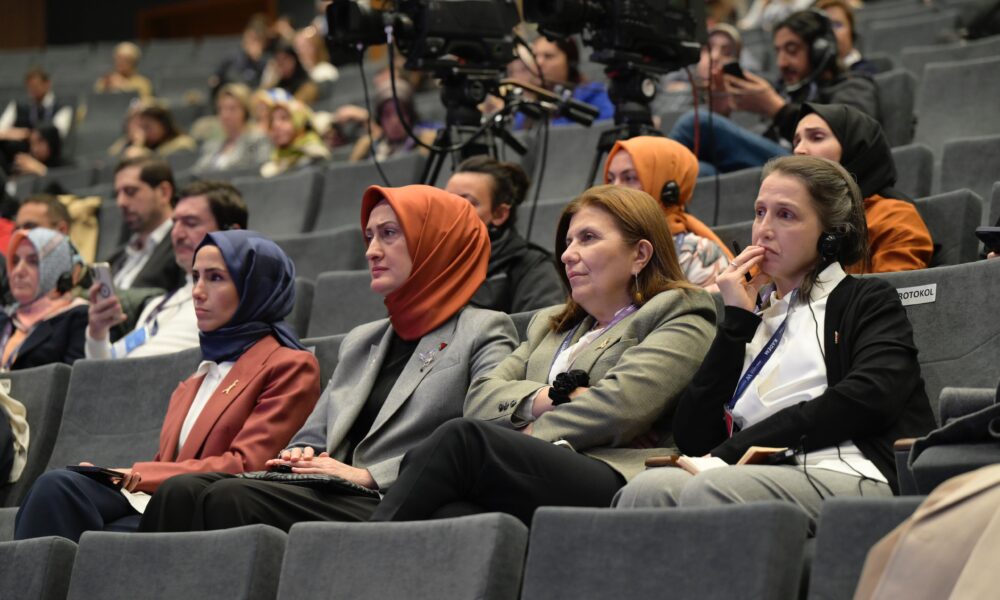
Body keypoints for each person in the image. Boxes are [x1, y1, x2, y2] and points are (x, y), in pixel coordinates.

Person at [138, 185, 518, 532]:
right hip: (329, 489)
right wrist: (301, 454)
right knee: (179, 490)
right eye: (369, 236)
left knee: (229, 498)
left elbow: (482, 439)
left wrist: (369, 475)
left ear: (435, 242)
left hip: (397, 499)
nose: (371, 250)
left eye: (388, 233)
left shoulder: (483, 329)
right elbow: (311, 436)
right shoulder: (362, 340)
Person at [613, 155, 937, 524]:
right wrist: (735, 322)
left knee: (711, 490)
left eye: (785, 215)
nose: (764, 230)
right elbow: (693, 437)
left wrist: (732, 452)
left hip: (849, 467)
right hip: (748, 470)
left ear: (830, 234)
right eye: (759, 212)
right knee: (645, 491)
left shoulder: (867, 300)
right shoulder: (752, 315)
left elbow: (869, 397)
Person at [368, 184, 717, 525]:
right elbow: (480, 397)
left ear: (639, 254)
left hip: (615, 469)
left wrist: (524, 435)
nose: (567, 255)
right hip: (540, 468)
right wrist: (550, 397)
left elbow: (622, 406)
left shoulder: (679, 310)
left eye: (588, 238)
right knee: (450, 512)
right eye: (568, 242)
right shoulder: (549, 326)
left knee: (461, 442)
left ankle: (362, 546)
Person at [13, 231, 320, 542]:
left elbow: (247, 465)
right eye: (195, 277)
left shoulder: (289, 365)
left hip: (208, 509)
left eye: (215, 278)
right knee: (59, 487)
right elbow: (167, 465)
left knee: (63, 495)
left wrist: (132, 474)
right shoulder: (195, 379)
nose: (197, 292)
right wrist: (113, 476)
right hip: (164, 499)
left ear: (255, 288)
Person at [670, 10, 880, 175]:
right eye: (778, 51)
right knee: (698, 172)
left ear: (819, 51)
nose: (781, 63)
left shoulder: (854, 85)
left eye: (792, 50)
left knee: (694, 122)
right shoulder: (789, 91)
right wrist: (721, 114)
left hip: (811, 171)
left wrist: (776, 109)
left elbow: (848, 139)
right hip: (771, 173)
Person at [87, 181, 248, 360]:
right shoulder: (157, 304)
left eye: (191, 223)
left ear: (231, 232)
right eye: (174, 223)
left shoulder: (233, 302)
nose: (177, 234)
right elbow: (102, 370)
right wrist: (98, 333)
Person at [793, 102, 933, 273]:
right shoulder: (794, 222)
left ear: (855, 146)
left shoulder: (894, 217)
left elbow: (896, 287)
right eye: (796, 141)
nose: (798, 150)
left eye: (817, 137)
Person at [604, 136, 733, 288]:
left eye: (630, 178)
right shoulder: (598, 245)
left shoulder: (696, 254)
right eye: (610, 179)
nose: (614, 189)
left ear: (667, 190)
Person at [446, 156, 565, 313]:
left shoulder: (532, 268)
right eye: (445, 200)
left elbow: (541, 327)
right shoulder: (430, 260)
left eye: (467, 203)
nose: (448, 210)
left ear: (499, 214)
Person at [0, 228, 87, 370]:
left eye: (33, 262)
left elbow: (76, 380)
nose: (18, 271)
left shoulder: (79, 318)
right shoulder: (6, 318)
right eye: (15, 261)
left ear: (56, 269)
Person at [108, 157, 186, 293]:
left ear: (164, 192)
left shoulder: (184, 246)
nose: (121, 202)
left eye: (130, 191)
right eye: (117, 194)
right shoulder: (117, 257)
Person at [513, 36, 615, 130]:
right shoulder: (528, 109)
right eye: (534, 56)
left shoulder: (596, 98)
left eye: (548, 56)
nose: (539, 62)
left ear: (570, 62)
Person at [347, 78, 437, 163]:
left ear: (411, 116)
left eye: (401, 113)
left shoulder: (423, 141)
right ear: (380, 120)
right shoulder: (368, 146)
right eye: (387, 114)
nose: (395, 121)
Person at [192, 84, 271, 174]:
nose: (225, 115)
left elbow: (260, 172)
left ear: (245, 112)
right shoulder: (212, 145)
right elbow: (197, 173)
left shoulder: (258, 141)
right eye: (221, 109)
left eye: (232, 109)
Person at [0, 67, 73, 156]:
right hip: (21, 155)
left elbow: (57, 134)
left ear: (47, 84)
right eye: (30, 86)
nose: (33, 90)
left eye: (36, 85)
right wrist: (18, 133)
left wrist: (27, 134)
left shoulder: (62, 108)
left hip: (50, 158)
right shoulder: (18, 106)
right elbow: (1, 130)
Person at [259, 92, 330, 178]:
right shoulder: (271, 170)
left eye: (284, 118)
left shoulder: (316, 156)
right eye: (272, 121)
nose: (275, 125)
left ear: (300, 123)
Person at [815, 0, 879, 77]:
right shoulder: (813, 73)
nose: (832, 31)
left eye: (837, 25)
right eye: (826, 25)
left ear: (851, 31)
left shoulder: (865, 70)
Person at [125, 105, 197, 160]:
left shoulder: (182, 143)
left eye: (147, 127)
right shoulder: (147, 145)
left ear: (163, 125)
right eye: (141, 127)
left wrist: (139, 147)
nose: (142, 132)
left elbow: (169, 166)